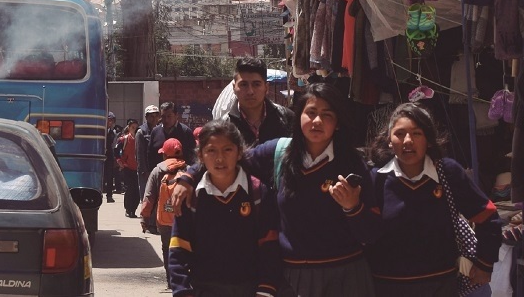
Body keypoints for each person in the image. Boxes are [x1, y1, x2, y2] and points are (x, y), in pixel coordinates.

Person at [173, 83, 381, 297]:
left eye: (327, 115)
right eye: (310, 112)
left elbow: (371, 233)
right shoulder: (278, 152)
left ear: (337, 123)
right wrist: (189, 177)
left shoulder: (352, 163)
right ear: (299, 116)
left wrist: (352, 207)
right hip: (292, 279)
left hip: (344, 277)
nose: (317, 121)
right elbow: (229, 158)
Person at [366, 102, 502, 297]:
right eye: (400, 134)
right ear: (389, 141)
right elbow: (365, 231)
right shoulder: (376, 179)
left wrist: (485, 264)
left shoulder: (448, 173)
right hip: (387, 286)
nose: (408, 141)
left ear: (429, 140)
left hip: (440, 286)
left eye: (417, 133)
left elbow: (488, 216)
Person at [167, 121, 281, 296]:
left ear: (239, 152)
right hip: (204, 288)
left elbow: (269, 248)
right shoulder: (191, 197)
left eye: (227, 149)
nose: (219, 158)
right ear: (201, 155)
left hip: (249, 289)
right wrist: (182, 290)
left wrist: (265, 290)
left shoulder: (258, 192)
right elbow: (179, 249)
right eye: (211, 151)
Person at [140, 137, 188, 289]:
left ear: (164, 155)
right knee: (184, 249)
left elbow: (149, 197)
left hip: (164, 220)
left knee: (167, 249)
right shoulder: (188, 170)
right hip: (183, 219)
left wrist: (145, 218)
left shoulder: (157, 170)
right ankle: (185, 281)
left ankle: (171, 281)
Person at [221, 57, 294, 147]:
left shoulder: (287, 118)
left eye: (256, 84)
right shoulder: (225, 126)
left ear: (266, 88)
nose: (250, 91)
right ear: (234, 88)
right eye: (243, 85)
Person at [148, 102, 196, 172]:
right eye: (163, 116)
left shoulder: (185, 132)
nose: (166, 120)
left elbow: (193, 156)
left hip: (181, 176)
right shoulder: (155, 132)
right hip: (160, 175)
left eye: (169, 116)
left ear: (176, 115)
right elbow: (150, 154)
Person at [137, 104, 161, 233]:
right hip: (145, 171)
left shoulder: (159, 131)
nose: (154, 118)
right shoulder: (141, 132)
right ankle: (145, 223)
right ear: (146, 117)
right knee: (146, 198)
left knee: (157, 197)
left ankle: (154, 223)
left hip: (155, 169)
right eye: (151, 116)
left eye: (156, 116)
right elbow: (139, 154)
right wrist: (143, 171)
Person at [117, 118, 140, 218]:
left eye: (136, 127)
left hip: (138, 169)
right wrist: (120, 162)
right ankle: (128, 209)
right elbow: (116, 151)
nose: (134, 129)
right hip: (128, 168)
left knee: (137, 191)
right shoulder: (124, 139)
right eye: (132, 128)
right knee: (130, 189)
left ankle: (133, 210)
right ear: (129, 128)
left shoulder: (141, 139)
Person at [104, 112, 117, 203]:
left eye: (112, 120)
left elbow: (113, 145)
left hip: (109, 155)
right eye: (109, 120)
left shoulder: (113, 132)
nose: (110, 122)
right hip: (101, 154)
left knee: (109, 176)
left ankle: (109, 195)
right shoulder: (101, 130)